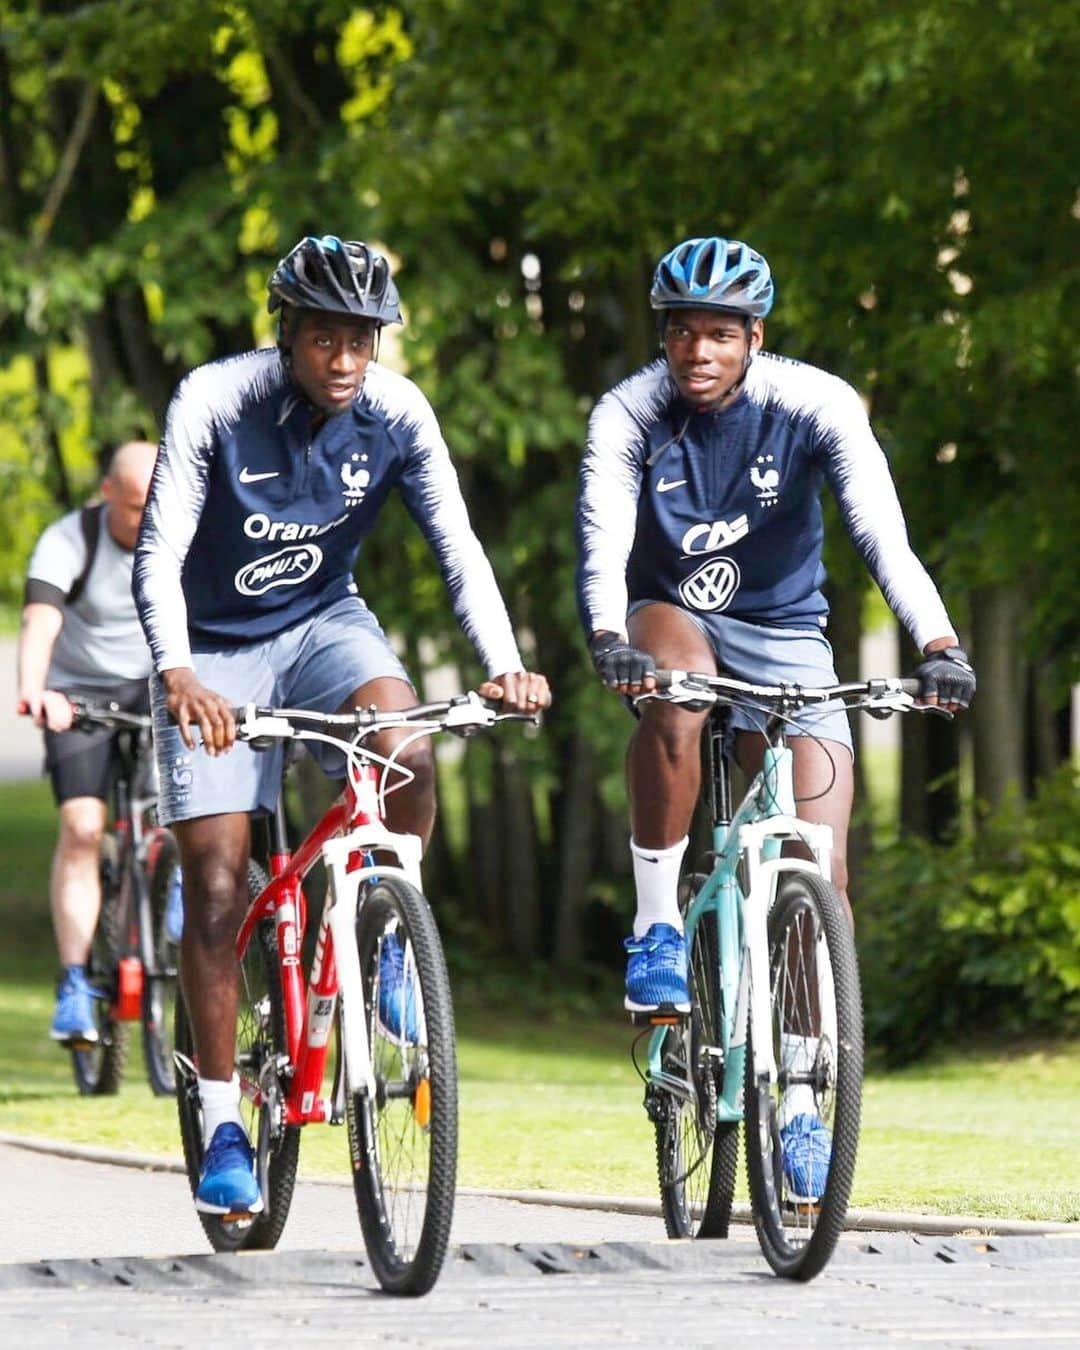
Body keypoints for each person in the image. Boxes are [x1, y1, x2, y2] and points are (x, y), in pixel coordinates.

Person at [133, 233, 550, 1217]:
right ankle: (225, 1118)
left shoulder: (398, 414)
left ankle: (386, 947)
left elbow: (458, 548)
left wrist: (503, 663)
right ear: (288, 334)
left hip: (324, 623)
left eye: (363, 340)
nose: (345, 361)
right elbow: (157, 553)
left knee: (405, 746)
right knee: (221, 876)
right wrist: (179, 674)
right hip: (212, 649)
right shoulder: (216, 399)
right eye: (325, 338)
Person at [576, 236, 975, 1196]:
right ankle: (660, 926)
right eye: (683, 333)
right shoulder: (630, 413)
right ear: (663, 337)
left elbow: (883, 531)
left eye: (721, 333)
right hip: (671, 617)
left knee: (815, 869)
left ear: (755, 336)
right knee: (677, 700)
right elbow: (602, 532)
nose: (700, 352)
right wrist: (605, 634)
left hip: (788, 631)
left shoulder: (817, 404)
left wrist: (938, 644)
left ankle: (797, 1096)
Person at [16, 441, 160, 1043]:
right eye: (133, 508)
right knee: (81, 829)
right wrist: (34, 690)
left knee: (190, 812)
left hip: (155, 687)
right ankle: (76, 980)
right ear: (107, 494)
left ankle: (170, 880)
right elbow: (40, 620)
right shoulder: (69, 539)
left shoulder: (183, 531)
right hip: (77, 693)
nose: (146, 520)